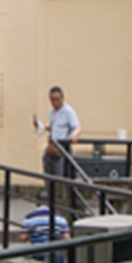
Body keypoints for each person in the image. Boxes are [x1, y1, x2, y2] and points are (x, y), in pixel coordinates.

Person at [39, 85, 80, 215]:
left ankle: (60, 204)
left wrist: (74, 135)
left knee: (60, 176)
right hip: (52, 145)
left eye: (57, 99)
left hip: (62, 147)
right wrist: (42, 126)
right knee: (48, 174)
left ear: (62, 98)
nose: (55, 102)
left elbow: (77, 126)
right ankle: (50, 199)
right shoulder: (52, 111)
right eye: (52, 99)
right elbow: (53, 126)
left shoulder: (68, 111)